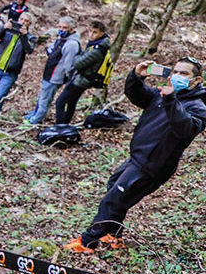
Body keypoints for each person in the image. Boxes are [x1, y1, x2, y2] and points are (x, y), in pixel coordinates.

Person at [64, 57, 205, 252]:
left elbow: (185, 129)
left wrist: (171, 99)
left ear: (196, 80)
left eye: (184, 74)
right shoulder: (160, 94)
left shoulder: (198, 107)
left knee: (113, 200)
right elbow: (137, 95)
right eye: (175, 72)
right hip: (137, 157)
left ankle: (87, 242)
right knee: (114, 188)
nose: (177, 76)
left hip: (153, 165)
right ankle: (113, 234)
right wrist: (137, 76)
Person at [0, 13, 36, 127]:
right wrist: (4, 27)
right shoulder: (9, 30)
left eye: (26, 21)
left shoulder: (30, 37)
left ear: (29, 24)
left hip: (10, 72)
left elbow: (29, 50)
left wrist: (24, 35)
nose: (23, 22)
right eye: (21, 19)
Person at [24, 16, 80, 125]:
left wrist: (67, 78)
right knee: (42, 96)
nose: (61, 30)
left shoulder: (71, 44)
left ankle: (36, 120)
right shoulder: (62, 39)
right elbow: (51, 50)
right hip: (49, 72)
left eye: (65, 28)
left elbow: (69, 65)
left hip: (56, 76)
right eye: (60, 27)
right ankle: (35, 114)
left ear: (71, 29)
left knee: (45, 100)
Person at [54, 20, 111, 125]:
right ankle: (65, 125)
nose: (91, 34)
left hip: (81, 80)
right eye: (90, 31)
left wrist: (77, 56)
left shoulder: (98, 50)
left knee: (60, 102)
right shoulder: (95, 44)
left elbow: (77, 63)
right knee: (71, 103)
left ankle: (59, 127)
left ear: (102, 33)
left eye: (95, 32)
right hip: (82, 78)